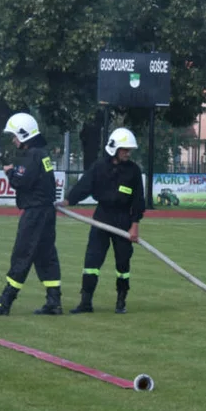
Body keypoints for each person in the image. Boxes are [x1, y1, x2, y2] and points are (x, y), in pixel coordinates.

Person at [0, 112, 62, 316]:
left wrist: (9, 172)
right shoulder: (42, 154)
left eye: (15, 136)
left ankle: (5, 302)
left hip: (35, 214)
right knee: (46, 256)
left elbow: (20, 181)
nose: (14, 140)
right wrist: (15, 169)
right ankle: (54, 301)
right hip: (46, 213)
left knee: (22, 254)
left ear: (24, 135)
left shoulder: (32, 155)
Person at [60, 127, 145, 314]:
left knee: (123, 264)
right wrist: (68, 201)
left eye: (129, 150)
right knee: (92, 261)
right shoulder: (99, 167)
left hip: (123, 220)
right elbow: (84, 186)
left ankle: (121, 301)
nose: (128, 153)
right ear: (114, 148)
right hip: (102, 217)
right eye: (124, 149)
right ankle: (85, 302)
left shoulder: (133, 171)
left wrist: (135, 225)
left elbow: (138, 200)